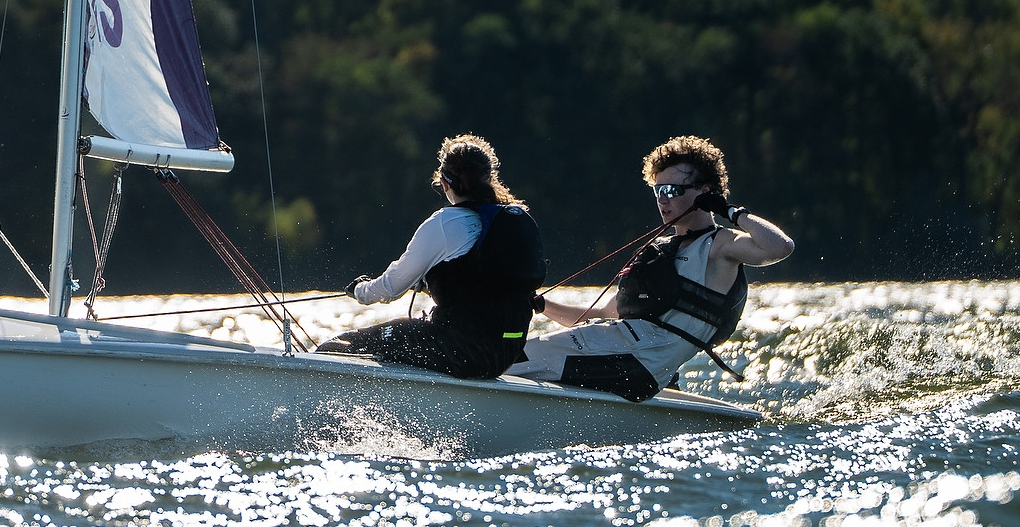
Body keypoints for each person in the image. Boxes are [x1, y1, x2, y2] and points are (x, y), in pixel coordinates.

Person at [509, 134, 794, 401]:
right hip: (623, 358)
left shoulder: (720, 245)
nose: (663, 199)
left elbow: (779, 247)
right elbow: (596, 314)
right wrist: (540, 304)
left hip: (640, 362)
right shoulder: (661, 251)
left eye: (673, 190)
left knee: (510, 360)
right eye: (658, 190)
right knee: (515, 352)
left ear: (705, 192)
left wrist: (730, 211)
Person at [319, 134, 545, 379]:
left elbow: (391, 287)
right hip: (503, 353)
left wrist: (359, 290)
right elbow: (483, 286)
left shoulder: (445, 223)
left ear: (444, 182)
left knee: (339, 347)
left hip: (460, 349)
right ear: (489, 179)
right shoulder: (515, 219)